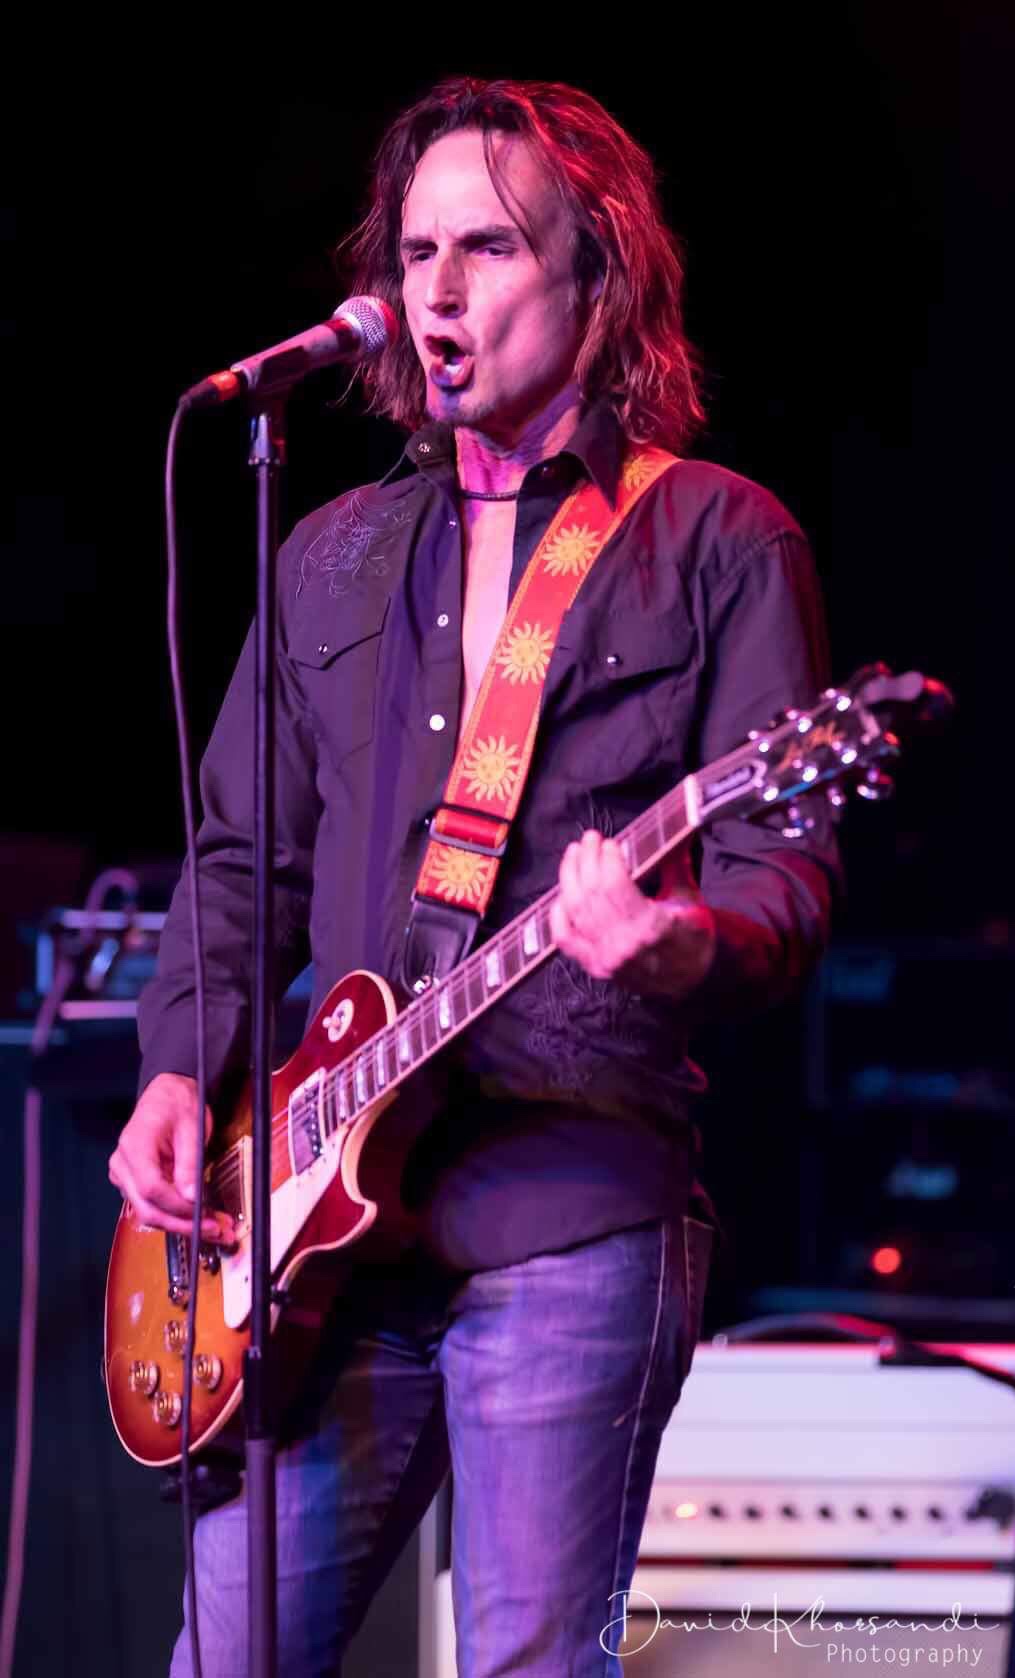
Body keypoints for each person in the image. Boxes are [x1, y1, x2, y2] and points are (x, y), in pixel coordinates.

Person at [108, 76, 840, 1677]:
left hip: (570, 1210)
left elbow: (782, 879)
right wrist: (176, 1068)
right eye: (417, 250)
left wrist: (676, 939)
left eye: (490, 247)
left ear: (599, 275)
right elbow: (241, 859)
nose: (436, 290)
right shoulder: (330, 555)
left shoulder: (721, 542)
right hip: (321, 1231)